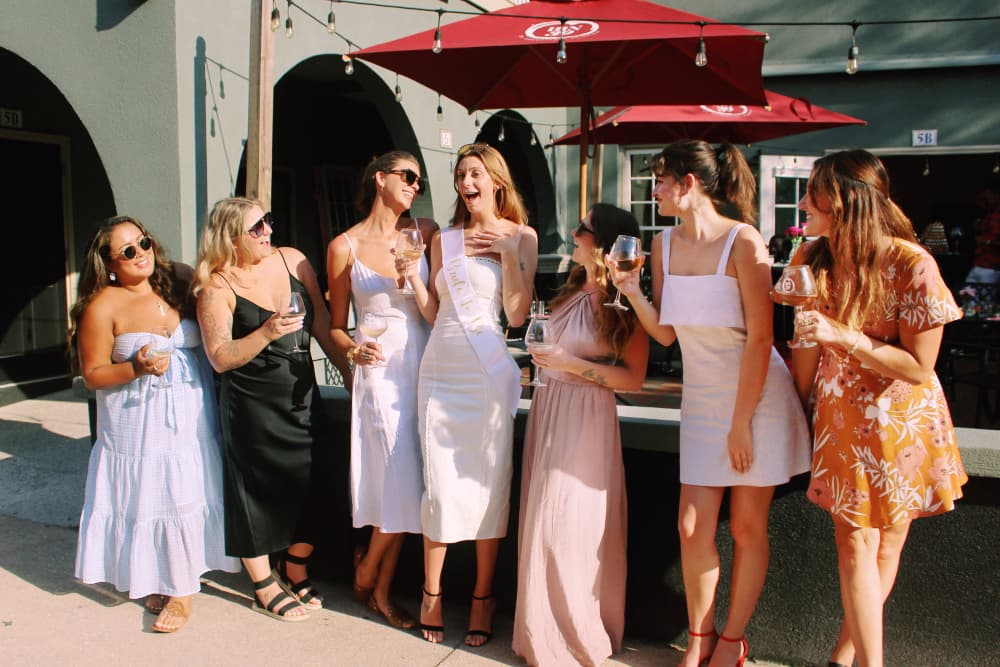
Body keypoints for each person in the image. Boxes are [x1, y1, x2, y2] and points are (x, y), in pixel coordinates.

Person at [609, 140, 811, 667]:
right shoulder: (661, 244)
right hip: (701, 401)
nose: (654, 190)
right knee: (692, 528)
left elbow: (762, 340)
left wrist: (741, 424)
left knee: (746, 528)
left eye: (660, 180)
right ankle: (699, 637)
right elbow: (667, 336)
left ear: (689, 183)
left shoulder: (743, 242)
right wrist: (631, 289)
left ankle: (732, 640)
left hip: (756, 399)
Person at [790, 150, 967, 667]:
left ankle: (844, 657)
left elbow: (918, 366)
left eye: (814, 192)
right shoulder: (811, 259)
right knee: (855, 547)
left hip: (901, 423)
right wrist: (800, 407)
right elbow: (803, 346)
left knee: (885, 548)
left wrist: (842, 334)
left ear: (845, 201)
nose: (804, 203)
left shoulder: (913, 264)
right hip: (842, 419)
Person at [73, 216, 239, 633]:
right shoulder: (102, 305)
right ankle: (171, 585)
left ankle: (180, 586)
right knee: (152, 497)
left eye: (143, 242)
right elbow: (92, 374)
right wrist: (134, 367)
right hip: (138, 422)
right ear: (110, 263)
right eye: (128, 251)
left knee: (186, 491)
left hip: (191, 416)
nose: (141, 253)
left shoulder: (178, 280)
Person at [512, 204, 649, 666]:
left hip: (587, 417)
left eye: (583, 229)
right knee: (543, 521)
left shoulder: (621, 302)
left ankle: (575, 636)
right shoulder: (570, 290)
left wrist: (573, 367)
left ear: (604, 243)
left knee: (568, 524)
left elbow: (633, 379)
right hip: (549, 409)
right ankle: (541, 632)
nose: (572, 232)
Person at [194, 197, 342, 622]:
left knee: (319, 482)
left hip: (302, 397)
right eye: (255, 228)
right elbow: (220, 356)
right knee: (254, 493)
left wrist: (351, 378)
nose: (267, 232)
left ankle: (294, 563)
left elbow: (322, 324)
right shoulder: (217, 286)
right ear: (230, 239)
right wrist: (266, 331)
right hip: (253, 405)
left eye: (268, 222)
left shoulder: (293, 261)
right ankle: (262, 581)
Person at [414, 143, 538, 646]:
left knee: (489, 485)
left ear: (496, 182)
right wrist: (411, 281)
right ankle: (431, 593)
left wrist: (509, 256)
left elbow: (514, 316)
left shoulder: (522, 236)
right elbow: (432, 311)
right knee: (439, 488)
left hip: (485, 375)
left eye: (476, 174)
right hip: (440, 371)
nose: (467, 183)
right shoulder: (443, 239)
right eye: (461, 174)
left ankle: (484, 597)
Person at [326, 151, 437, 629]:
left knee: (411, 484)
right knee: (398, 475)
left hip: (426, 365)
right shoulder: (342, 246)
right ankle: (374, 582)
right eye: (407, 176)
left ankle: (373, 578)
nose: (415, 185)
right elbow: (333, 327)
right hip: (379, 373)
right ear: (379, 179)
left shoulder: (426, 232)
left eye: (419, 179)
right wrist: (353, 351)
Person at [964, 184, 1000, 284]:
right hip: (980, 263)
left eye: (987, 197)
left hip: (991, 267)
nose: (985, 201)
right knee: (967, 295)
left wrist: (987, 241)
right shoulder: (989, 214)